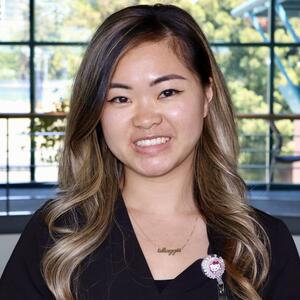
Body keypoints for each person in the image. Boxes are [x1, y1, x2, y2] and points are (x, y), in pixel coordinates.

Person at [0, 4, 299, 300]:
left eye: (167, 92)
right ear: (96, 113)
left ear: (207, 95)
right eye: (119, 98)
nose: (145, 118)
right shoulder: (58, 237)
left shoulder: (262, 246)